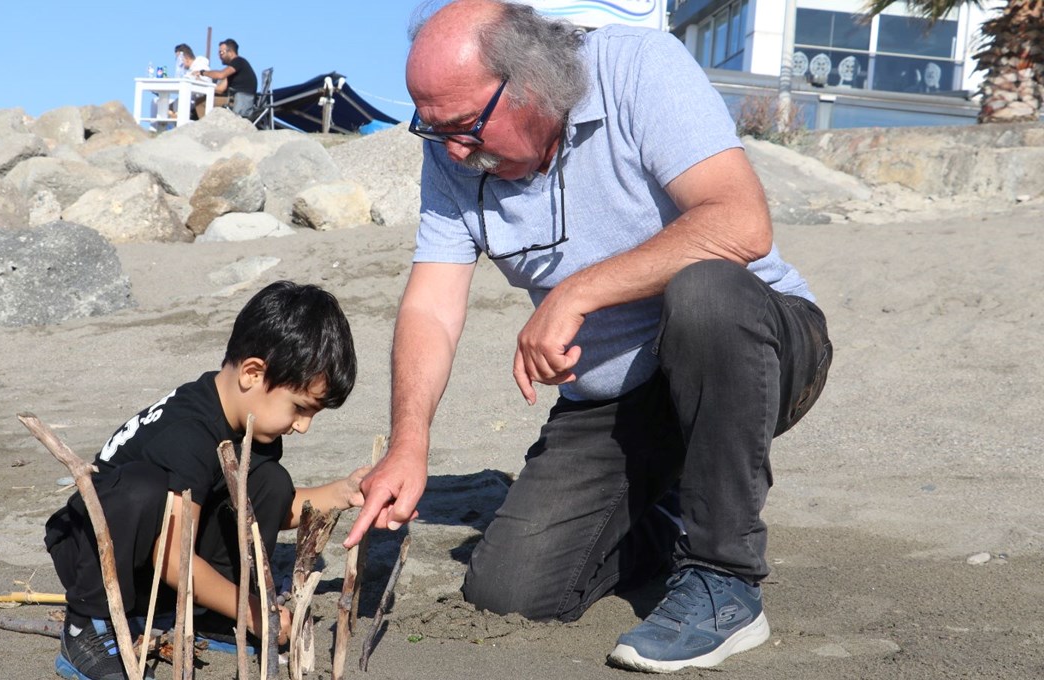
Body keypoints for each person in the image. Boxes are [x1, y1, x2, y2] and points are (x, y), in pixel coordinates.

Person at [343, 0, 832, 674]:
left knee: (704, 292)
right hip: (617, 398)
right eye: (433, 128)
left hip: (756, 348)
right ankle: (652, 520)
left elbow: (740, 224)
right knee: (509, 591)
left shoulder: (639, 68)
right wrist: (408, 444)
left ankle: (725, 580)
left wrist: (579, 290)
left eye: (464, 127)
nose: (455, 149)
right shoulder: (453, 153)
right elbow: (431, 304)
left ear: (532, 84)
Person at [45, 281, 366, 680]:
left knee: (270, 481)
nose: (303, 426)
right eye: (301, 409)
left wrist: (342, 493)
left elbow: (274, 506)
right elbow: (174, 557)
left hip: (162, 562)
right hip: (98, 554)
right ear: (253, 372)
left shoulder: (252, 426)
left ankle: (211, 616)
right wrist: (253, 609)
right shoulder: (188, 433)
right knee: (144, 488)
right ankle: (86, 628)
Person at [196, 38, 258, 118]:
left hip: (239, 101)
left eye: (221, 52)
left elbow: (220, 75)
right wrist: (200, 82)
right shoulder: (233, 68)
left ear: (231, 52)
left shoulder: (238, 61)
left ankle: (206, 128)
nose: (219, 56)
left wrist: (202, 72)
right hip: (235, 99)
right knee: (204, 99)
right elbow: (220, 89)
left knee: (201, 102)